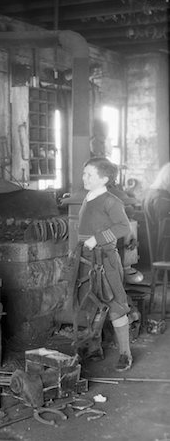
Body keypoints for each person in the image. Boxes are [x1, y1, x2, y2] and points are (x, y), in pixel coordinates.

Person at [77, 157, 133, 371]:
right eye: (84, 173)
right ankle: (95, 347)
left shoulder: (111, 201)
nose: (85, 177)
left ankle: (125, 354)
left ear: (105, 179)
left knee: (115, 306)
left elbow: (123, 227)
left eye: (90, 174)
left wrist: (98, 239)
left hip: (106, 260)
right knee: (92, 303)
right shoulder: (88, 197)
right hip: (87, 260)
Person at [142, 162, 170, 262]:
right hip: (164, 253)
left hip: (160, 250)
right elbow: (165, 230)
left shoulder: (153, 193)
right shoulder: (162, 198)